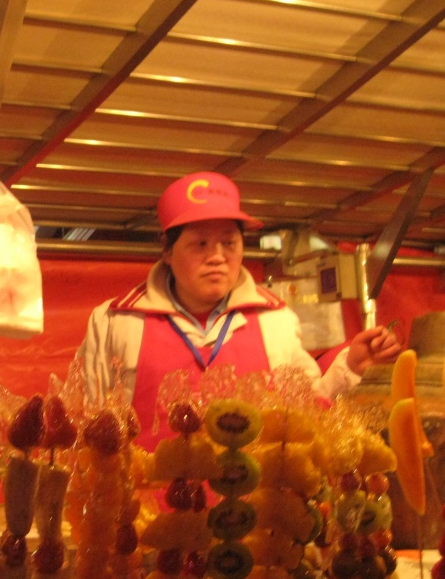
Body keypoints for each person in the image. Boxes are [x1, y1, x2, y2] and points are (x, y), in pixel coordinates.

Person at [80, 171, 403, 447]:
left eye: (229, 243)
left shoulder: (275, 319)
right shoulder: (115, 320)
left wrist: (350, 367)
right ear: (167, 250)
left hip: (255, 498)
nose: (217, 257)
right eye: (200, 244)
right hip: (145, 499)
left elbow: (304, 413)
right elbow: (87, 419)